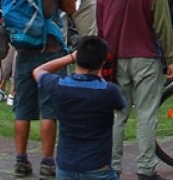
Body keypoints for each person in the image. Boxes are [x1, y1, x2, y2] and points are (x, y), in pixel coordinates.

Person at [97, 0, 173, 180]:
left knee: (117, 116)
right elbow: (163, 24)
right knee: (146, 114)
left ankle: (113, 166)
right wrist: (171, 58)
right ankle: (145, 167)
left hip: (113, 55)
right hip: (145, 56)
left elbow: (100, 20)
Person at [4, 0, 76, 180]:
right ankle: (47, 162)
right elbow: (71, 9)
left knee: (22, 108)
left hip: (23, 46)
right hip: (51, 48)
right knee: (50, 108)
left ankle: (20, 161)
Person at [33, 36, 126, 180]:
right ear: (102, 62)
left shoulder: (59, 85)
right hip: (98, 167)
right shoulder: (109, 91)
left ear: (78, 56)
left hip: (67, 166)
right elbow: (121, 105)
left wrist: (70, 57)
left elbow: (39, 70)